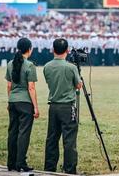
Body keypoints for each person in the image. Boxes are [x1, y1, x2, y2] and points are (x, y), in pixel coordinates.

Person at [43, 38, 82, 174]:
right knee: (69, 139)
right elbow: (78, 85)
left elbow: (50, 82)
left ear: (53, 50)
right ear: (67, 50)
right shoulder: (71, 67)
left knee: (52, 138)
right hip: (67, 106)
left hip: (53, 106)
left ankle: (49, 167)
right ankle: (70, 169)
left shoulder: (47, 66)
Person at [5, 37, 39, 172]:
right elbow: (31, 88)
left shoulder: (9, 64)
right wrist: (35, 106)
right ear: (29, 49)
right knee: (23, 133)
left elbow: (9, 85)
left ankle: (11, 162)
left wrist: (10, 100)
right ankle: (21, 162)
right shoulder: (30, 65)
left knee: (12, 132)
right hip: (25, 102)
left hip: (13, 101)